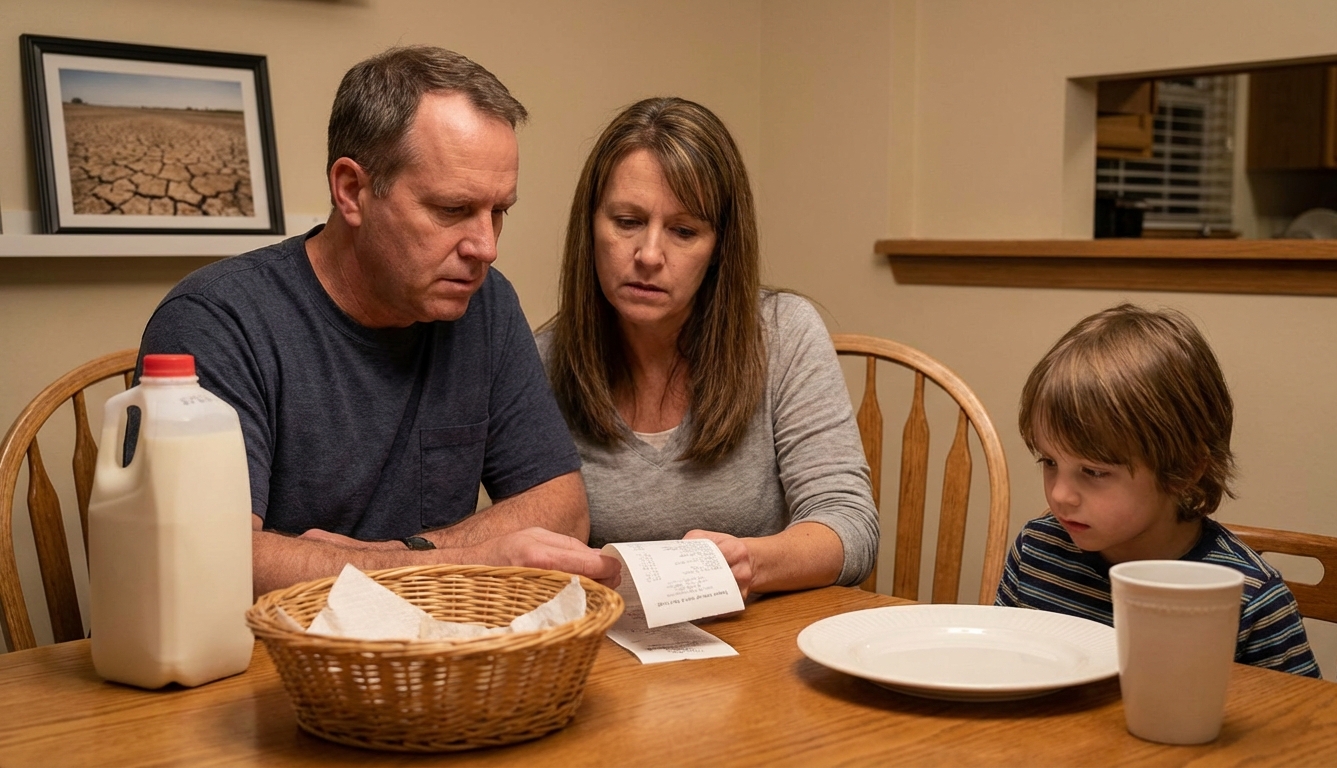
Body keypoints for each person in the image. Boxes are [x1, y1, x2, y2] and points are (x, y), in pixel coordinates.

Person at [137, 46, 619, 596]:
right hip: (263, 663)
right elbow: (209, 557)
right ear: (351, 191)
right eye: (452, 210)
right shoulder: (218, 322)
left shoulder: (484, 303)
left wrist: (409, 556)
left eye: (499, 211)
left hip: (429, 658)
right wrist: (464, 561)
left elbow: (562, 509)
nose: (486, 247)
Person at [538, 97, 878, 599]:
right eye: (627, 221)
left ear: (720, 247)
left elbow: (849, 524)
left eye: (683, 231)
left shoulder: (783, 333)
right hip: (611, 646)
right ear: (590, 226)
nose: (649, 255)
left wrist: (750, 563)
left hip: (759, 636)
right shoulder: (544, 361)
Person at [995, 304, 1319, 676]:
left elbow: (1301, 727)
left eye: (1093, 471)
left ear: (1183, 470)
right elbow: (1002, 670)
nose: (1061, 495)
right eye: (1049, 462)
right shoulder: (1037, 551)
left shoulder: (1247, 597)